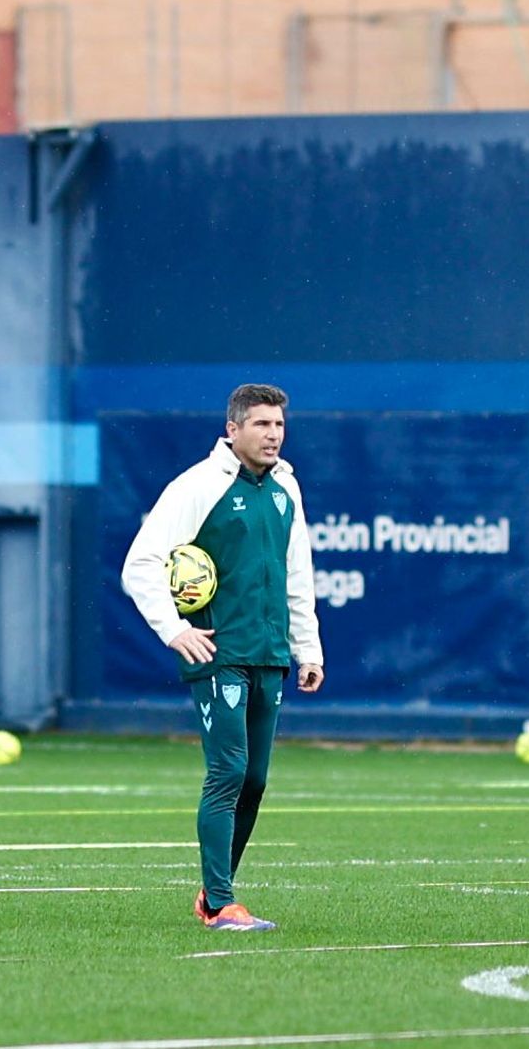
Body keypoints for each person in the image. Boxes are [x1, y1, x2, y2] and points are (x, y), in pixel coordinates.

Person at [122, 384, 323, 932]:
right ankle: (220, 903)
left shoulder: (286, 487)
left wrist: (308, 647)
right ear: (232, 430)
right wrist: (173, 630)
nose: (273, 435)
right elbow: (140, 563)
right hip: (219, 650)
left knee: (254, 779)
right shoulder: (197, 485)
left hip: (271, 651)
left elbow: (296, 573)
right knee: (228, 770)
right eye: (261, 425)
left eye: (279, 425)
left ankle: (213, 893)